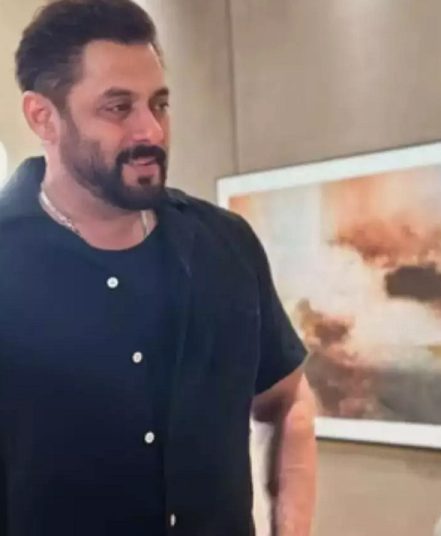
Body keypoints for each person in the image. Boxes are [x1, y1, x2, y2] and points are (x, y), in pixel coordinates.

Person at [2, 0, 316, 535]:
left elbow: (288, 402)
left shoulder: (226, 246)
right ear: (43, 117)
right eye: (118, 108)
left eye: (160, 104)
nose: (151, 130)